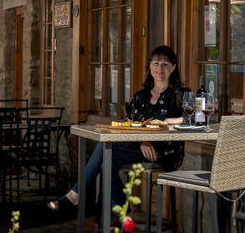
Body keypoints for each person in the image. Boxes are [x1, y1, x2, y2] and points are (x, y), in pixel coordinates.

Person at [48, 45, 186, 215]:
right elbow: (130, 126)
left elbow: (195, 119)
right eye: (156, 63)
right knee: (107, 162)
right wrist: (142, 141)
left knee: (106, 145)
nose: (160, 68)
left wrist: (168, 121)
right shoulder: (140, 97)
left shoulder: (181, 95)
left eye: (165, 64)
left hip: (165, 151)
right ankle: (123, 216)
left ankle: (75, 194)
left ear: (173, 67)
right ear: (150, 66)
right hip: (140, 147)